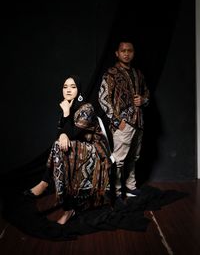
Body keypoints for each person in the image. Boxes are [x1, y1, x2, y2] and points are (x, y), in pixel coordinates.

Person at [24, 75, 111, 224]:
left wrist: (65, 114)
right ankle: (68, 208)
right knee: (61, 148)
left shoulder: (86, 107)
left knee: (61, 147)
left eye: (73, 86)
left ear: (79, 90)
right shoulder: (68, 107)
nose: (68, 90)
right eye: (65, 87)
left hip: (95, 151)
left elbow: (73, 134)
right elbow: (60, 135)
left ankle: (45, 181)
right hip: (75, 149)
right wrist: (64, 129)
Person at [98, 40, 150, 198]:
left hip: (139, 122)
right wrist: (116, 121)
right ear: (117, 53)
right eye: (123, 51)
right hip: (123, 123)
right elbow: (103, 98)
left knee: (134, 157)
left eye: (130, 51)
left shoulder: (138, 74)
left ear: (133, 53)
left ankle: (130, 186)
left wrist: (143, 100)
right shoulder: (111, 74)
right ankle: (116, 191)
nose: (126, 53)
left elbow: (147, 93)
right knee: (119, 159)